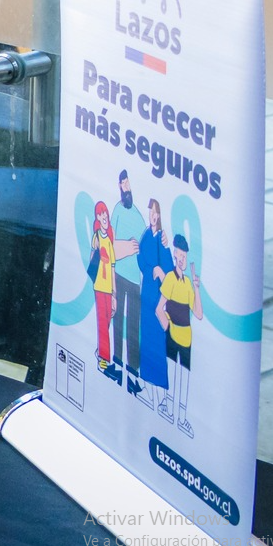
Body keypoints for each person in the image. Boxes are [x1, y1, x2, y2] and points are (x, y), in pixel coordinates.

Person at [158, 233, 204, 437]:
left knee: (184, 376)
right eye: (180, 256)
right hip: (172, 332)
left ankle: (182, 418)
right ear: (175, 256)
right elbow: (159, 308)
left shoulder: (187, 283)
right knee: (170, 371)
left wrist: (196, 288)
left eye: (185, 256)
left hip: (187, 336)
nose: (183, 260)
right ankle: (167, 405)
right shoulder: (170, 278)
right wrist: (167, 326)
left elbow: (199, 313)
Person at [109, 169, 146, 395]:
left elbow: (146, 243)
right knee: (118, 322)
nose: (126, 186)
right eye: (122, 183)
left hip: (135, 279)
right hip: (119, 274)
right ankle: (115, 365)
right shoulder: (117, 211)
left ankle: (133, 373)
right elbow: (109, 245)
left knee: (133, 326)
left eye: (128, 182)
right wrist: (125, 247)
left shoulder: (139, 215)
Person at [136, 197, 173, 412]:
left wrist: (161, 271)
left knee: (158, 340)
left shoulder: (162, 239)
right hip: (147, 291)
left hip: (159, 296)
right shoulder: (145, 235)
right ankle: (147, 384)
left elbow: (168, 268)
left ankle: (161, 391)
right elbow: (141, 259)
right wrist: (152, 269)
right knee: (146, 337)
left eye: (156, 213)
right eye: (151, 212)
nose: (153, 216)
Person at [89, 201, 117, 378]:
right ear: (98, 218)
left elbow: (113, 267)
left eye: (105, 213)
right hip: (99, 286)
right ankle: (103, 360)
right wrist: (96, 251)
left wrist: (114, 294)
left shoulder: (109, 240)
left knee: (107, 321)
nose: (104, 216)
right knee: (102, 323)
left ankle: (101, 352)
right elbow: (92, 258)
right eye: (101, 214)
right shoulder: (97, 237)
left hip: (108, 288)